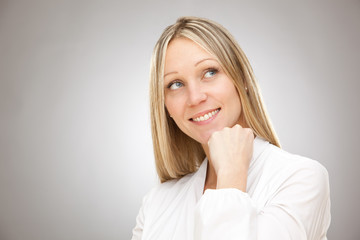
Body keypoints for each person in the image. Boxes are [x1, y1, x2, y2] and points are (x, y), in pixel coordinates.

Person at [131, 16, 331, 240]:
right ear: (165, 105)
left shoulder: (301, 179)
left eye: (209, 72)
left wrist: (231, 179)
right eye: (176, 84)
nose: (195, 98)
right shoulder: (156, 203)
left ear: (242, 79)